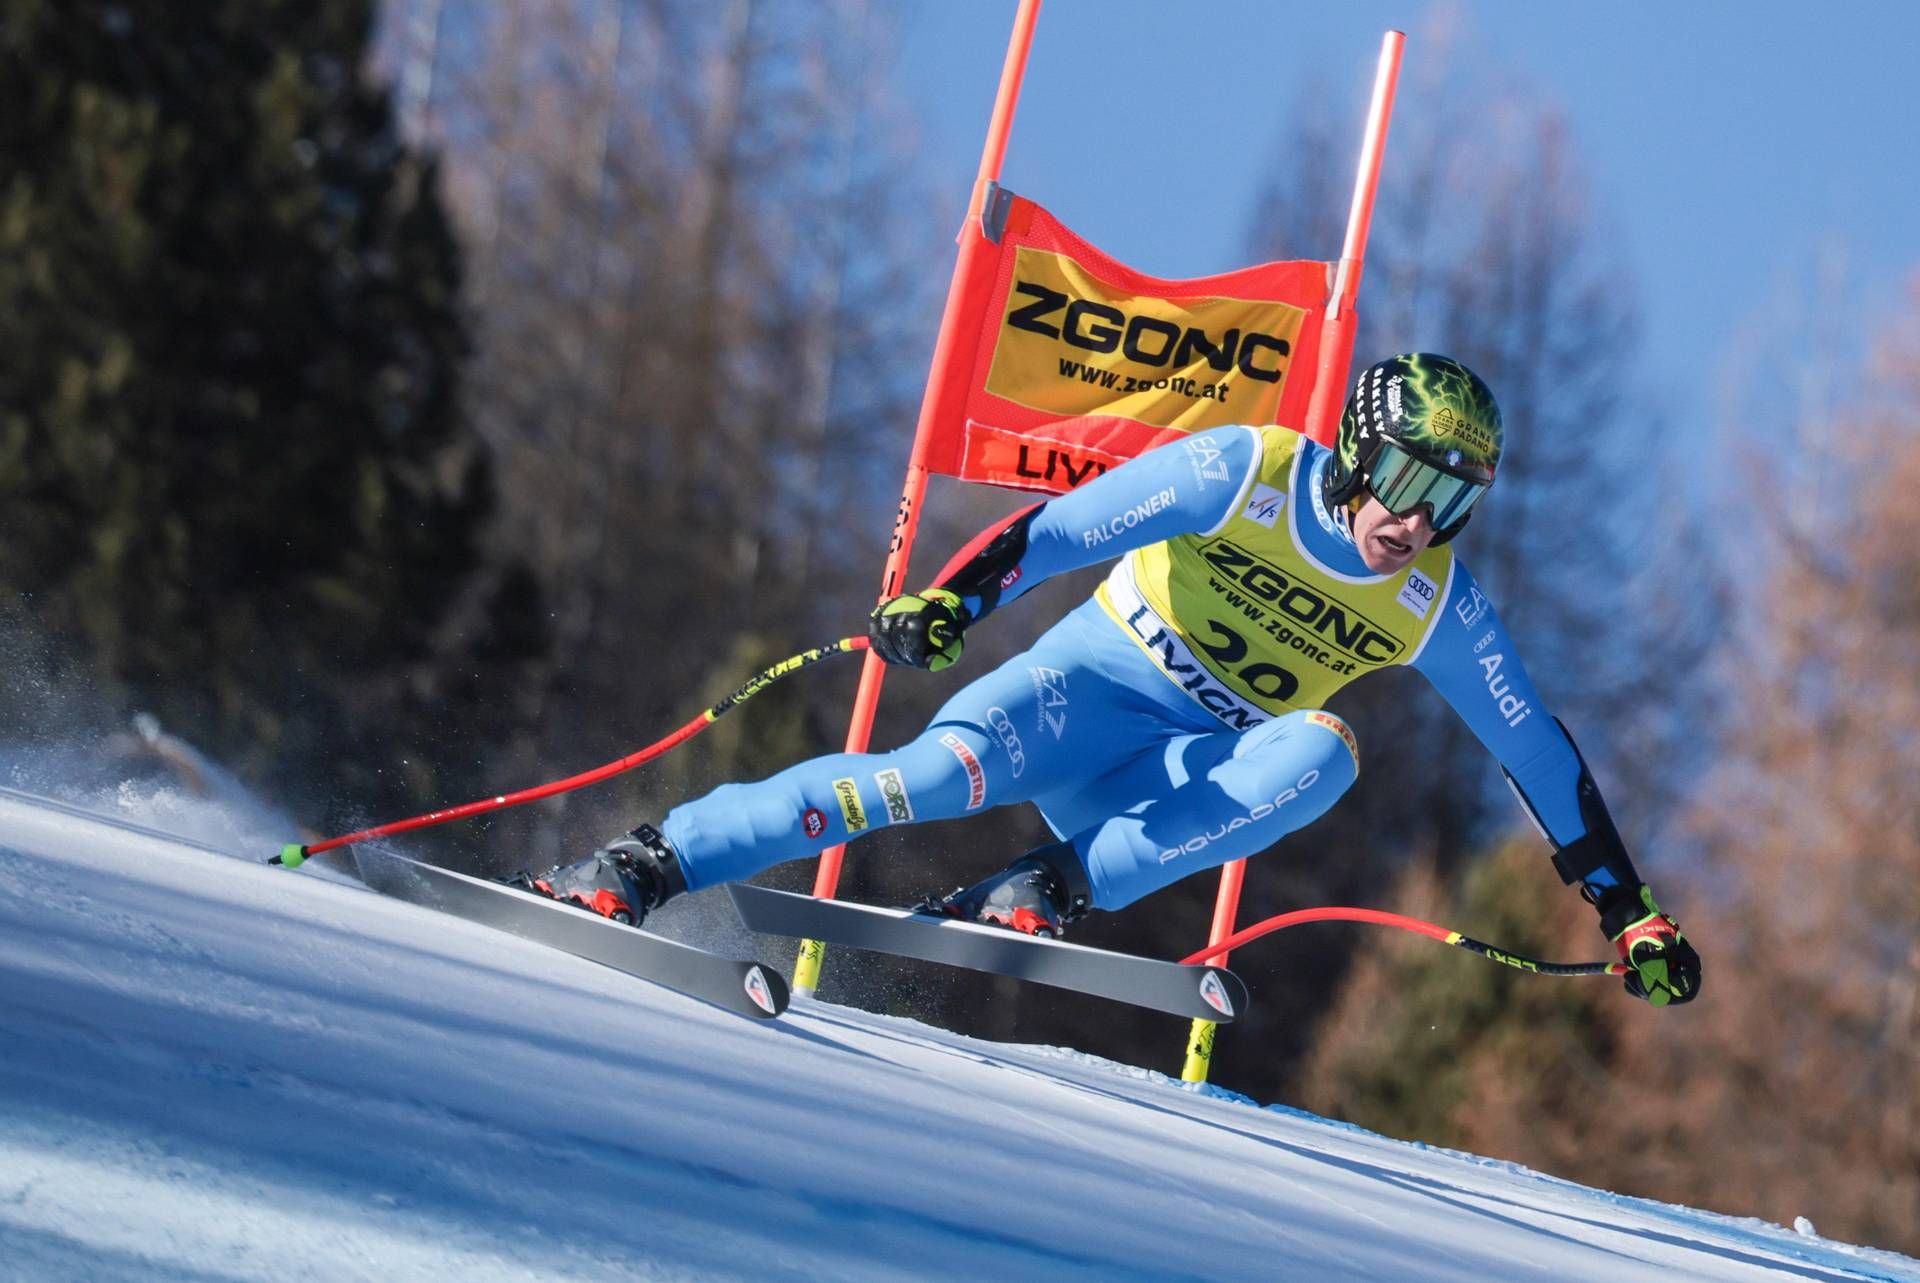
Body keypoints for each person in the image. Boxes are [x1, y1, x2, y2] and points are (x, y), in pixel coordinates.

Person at [517, 353, 1700, 1007]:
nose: (1418, 519)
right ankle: (642, 861)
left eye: (1453, 500)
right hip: (1080, 693)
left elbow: (1536, 749)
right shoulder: (1248, 473)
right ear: (1356, 443)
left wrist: (1625, 906)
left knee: (1323, 750)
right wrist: (955, 601)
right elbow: (1064, 528)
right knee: (922, 779)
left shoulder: (1435, 597)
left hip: (1183, 761)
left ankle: (1052, 881)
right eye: (1409, 478)